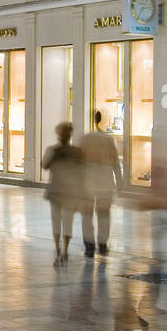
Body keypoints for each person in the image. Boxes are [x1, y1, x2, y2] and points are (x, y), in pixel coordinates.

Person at [81, 110, 124, 257]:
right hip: (105, 182)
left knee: (87, 214)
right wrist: (120, 183)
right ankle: (103, 243)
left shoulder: (86, 139)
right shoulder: (108, 139)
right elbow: (115, 163)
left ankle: (89, 245)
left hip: (88, 182)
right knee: (104, 215)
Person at [41, 122, 85, 266]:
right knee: (68, 221)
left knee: (56, 221)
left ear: (58, 135)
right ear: (70, 135)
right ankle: (65, 249)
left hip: (56, 191)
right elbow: (82, 171)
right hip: (71, 192)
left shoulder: (52, 151)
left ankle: (58, 249)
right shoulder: (77, 152)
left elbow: (44, 165)